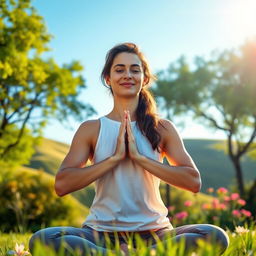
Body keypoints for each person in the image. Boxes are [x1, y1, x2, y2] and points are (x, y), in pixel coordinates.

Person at [29, 42, 229, 255]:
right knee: (43, 239)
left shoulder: (162, 128)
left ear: (145, 79)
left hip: (155, 233)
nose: (127, 75)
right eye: (119, 69)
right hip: (100, 233)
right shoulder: (91, 129)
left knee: (214, 236)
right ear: (108, 78)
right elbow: (62, 184)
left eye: (135, 70)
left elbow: (193, 181)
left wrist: (139, 158)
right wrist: (114, 159)